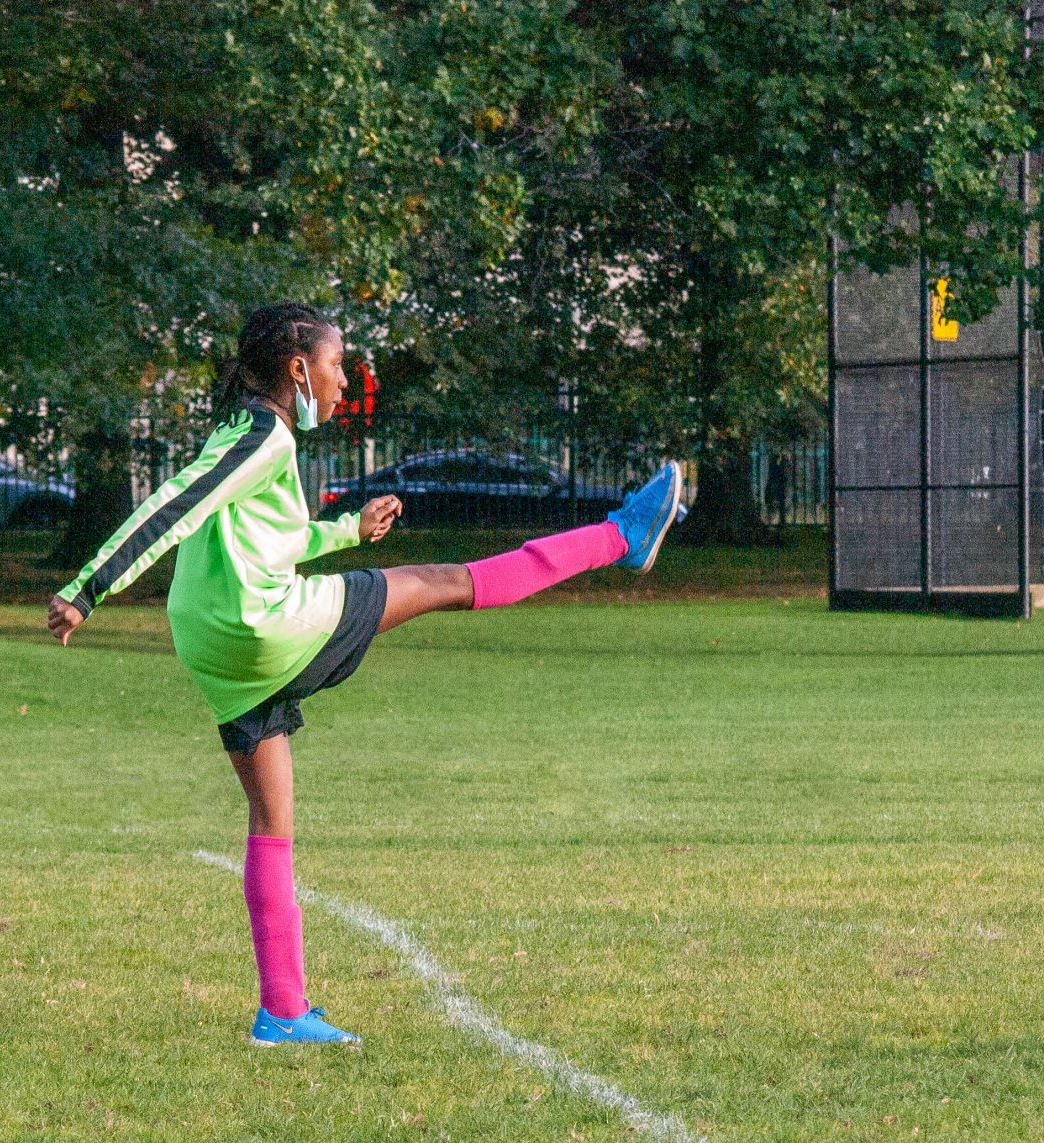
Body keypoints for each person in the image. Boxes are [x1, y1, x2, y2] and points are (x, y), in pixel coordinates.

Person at [47, 302, 684, 1047]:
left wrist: (348, 531)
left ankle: (282, 1012)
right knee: (446, 580)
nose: (344, 382)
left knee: (271, 819)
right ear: (297, 368)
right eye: (336, 364)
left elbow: (265, 541)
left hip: (216, 643)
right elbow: (172, 505)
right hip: (263, 628)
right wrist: (87, 586)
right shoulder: (260, 435)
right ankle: (619, 537)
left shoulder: (245, 430)